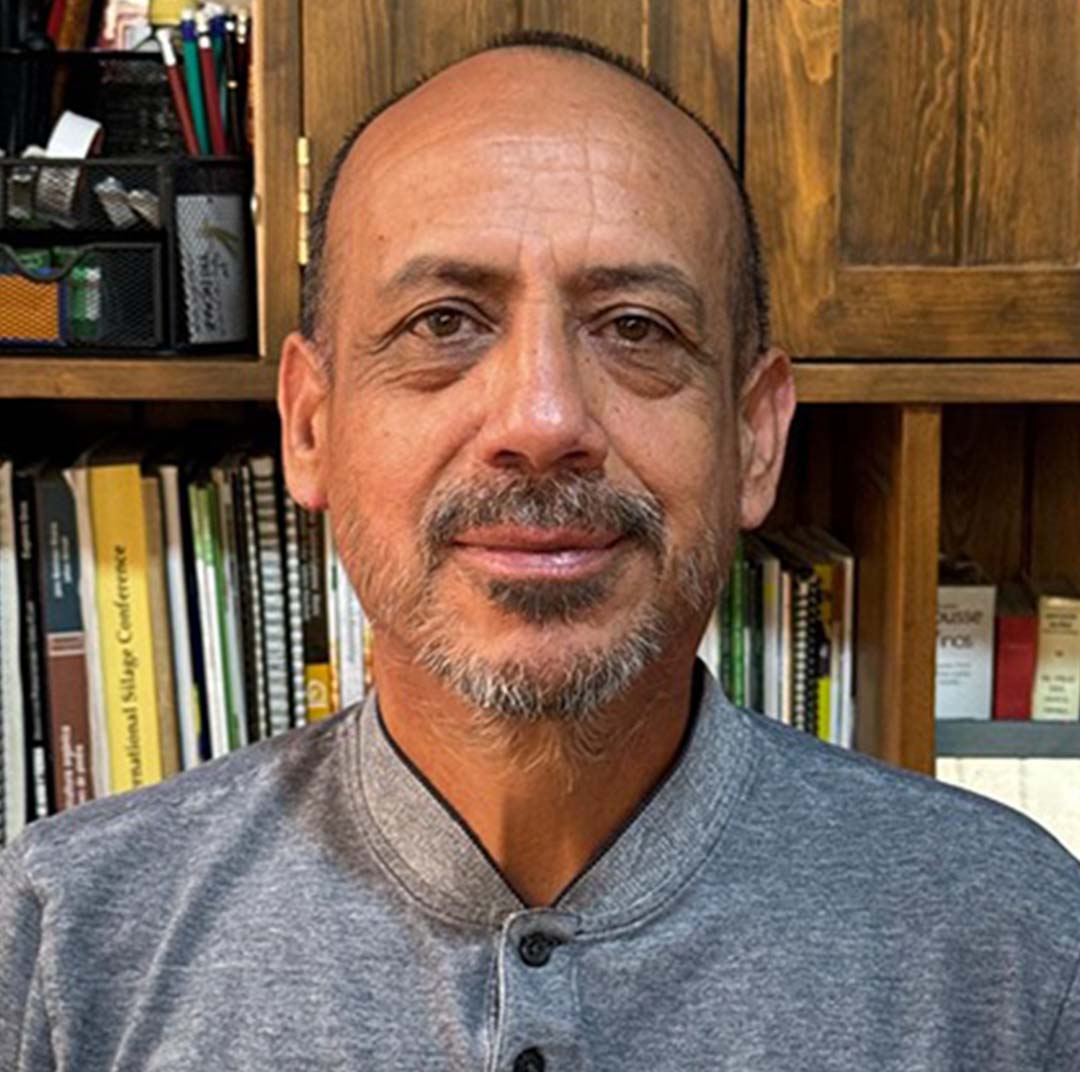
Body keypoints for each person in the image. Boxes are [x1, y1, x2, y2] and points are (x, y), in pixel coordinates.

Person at [1, 31, 1078, 1072]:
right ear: (311, 425)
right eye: (443, 323)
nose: (544, 418)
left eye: (636, 328)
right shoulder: (67, 943)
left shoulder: (1019, 952)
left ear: (755, 436)